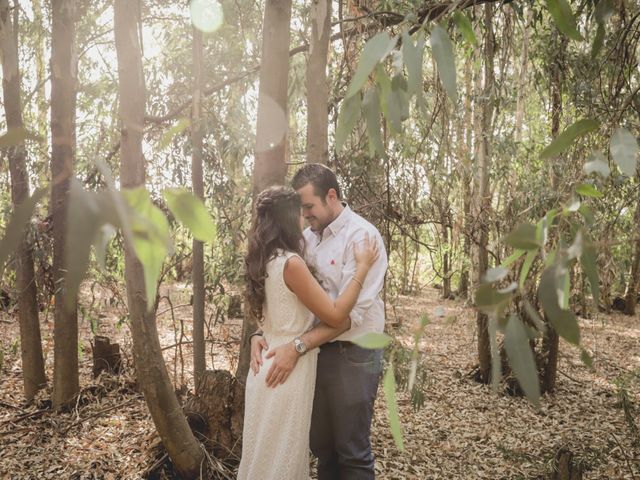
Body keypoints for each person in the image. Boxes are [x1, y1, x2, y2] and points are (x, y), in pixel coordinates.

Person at [251, 163, 388, 479]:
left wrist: (296, 346)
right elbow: (288, 295)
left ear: (331, 195)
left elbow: (346, 319)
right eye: (301, 208)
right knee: (322, 451)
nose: (305, 214)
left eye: (309, 206)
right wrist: (260, 333)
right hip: (312, 356)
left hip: (352, 354)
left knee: (352, 453)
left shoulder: (363, 237)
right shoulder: (304, 238)